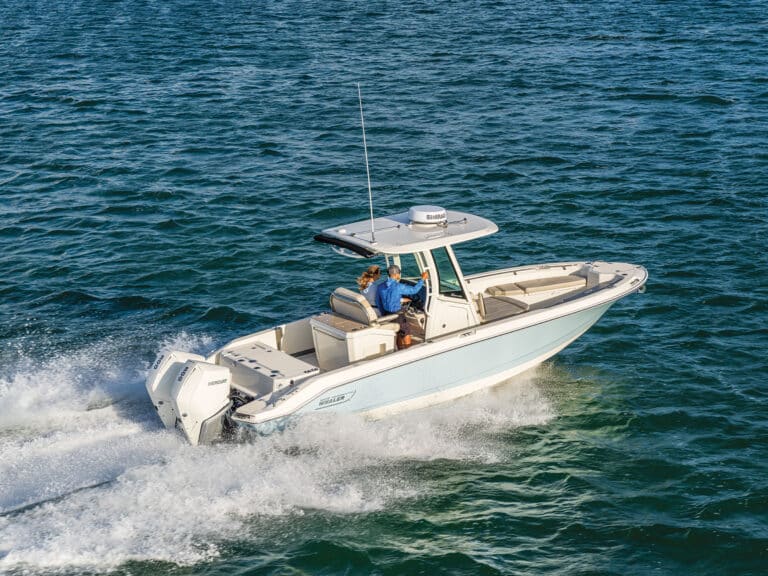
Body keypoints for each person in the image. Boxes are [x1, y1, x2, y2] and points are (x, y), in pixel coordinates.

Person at [376, 264, 429, 349]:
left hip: (387, 314)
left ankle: (400, 349)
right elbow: (414, 290)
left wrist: (385, 314)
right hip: (398, 314)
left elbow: (378, 302)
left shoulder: (380, 286)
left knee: (397, 332)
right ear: (396, 274)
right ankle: (408, 350)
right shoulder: (398, 286)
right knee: (406, 332)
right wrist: (422, 279)